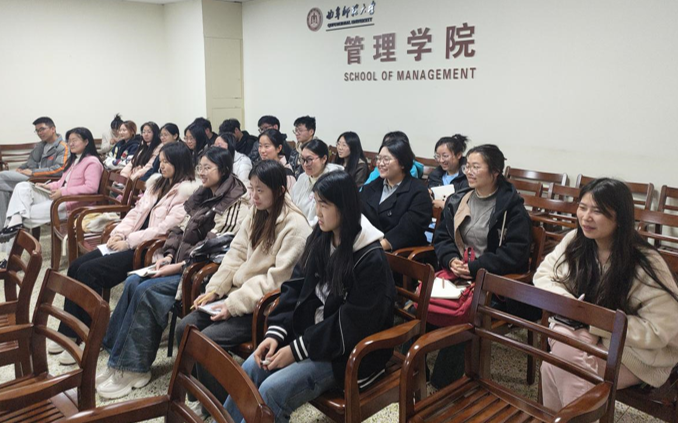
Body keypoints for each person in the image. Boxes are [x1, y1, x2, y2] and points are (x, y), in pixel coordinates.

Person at [223, 171, 395, 423]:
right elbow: (295, 287)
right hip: (312, 336)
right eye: (316, 202)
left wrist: (295, 351)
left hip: (345, 353)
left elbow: (353, 325)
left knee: (272, 391)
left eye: (324, 205)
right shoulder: (321, 236)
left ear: (345, 207)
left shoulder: (369, 257)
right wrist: (275, 334)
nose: (317, 212)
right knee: (251, 368)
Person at [95, 148, 249, 399]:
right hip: (178, 264)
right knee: (133, 281)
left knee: (147, 292)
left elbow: (216, 247)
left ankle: (134, 368)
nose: (201, 172)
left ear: (223, 170)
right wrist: (167, 255)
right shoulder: (202, 193)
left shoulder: (235, 201)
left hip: (200, 274)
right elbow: (179, 229)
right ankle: (116, 358)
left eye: (207, 168)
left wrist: (178, 266)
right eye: (200, 167)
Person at [535, 178, 678, 412]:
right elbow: (543, 276)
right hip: (585, 335)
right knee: (559, 359)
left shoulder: (645, 263)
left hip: (636, 355)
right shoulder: (576, 241)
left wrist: (595, 324)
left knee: (559, 362)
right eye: (582, 207)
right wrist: (574, 309)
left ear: (620, 218)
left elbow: (659, 330)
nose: (586, 217)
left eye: (597, 211)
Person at [175, 160, 311, 405]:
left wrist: (233, 304)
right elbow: (236, 253)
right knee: (183, 327)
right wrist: (216, 289)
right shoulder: (256, 212)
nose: (253, 196)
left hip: (261, 307)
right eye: (251, 188)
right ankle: (202, 396)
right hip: (237, 296)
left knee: (205, 340)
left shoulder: (296, 226)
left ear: (280, 190)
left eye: (260, 190)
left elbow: (277, 280)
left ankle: (226, 406)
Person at [51, 142, 199, 365]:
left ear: (180, 163)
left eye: (167, 162)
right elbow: (135, 213)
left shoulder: (187, 193)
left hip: (148, 250)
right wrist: (119, 234)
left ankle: (90, 333)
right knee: (76, 267)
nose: (162, 165)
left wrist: (129, 242)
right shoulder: (156, 183)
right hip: (129, 242)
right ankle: (70, 331)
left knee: (89, 272)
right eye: (161, 161)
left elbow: (165, 229)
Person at [431, 143, 531, 388]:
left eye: (476, 167)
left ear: (495, 171)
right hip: (458, 275)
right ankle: (413, 371)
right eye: (468, 166)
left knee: (464, 320)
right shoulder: (459, 199)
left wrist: (476, 267)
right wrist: (450, 259)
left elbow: (516, 253)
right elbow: (442, 237)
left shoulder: (511, 208)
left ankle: (442, 386)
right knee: (421, 304)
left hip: (491, 284)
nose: (469, 171)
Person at [0, 127, 102, 242]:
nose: (71, 144)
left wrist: (62, 192)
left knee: (22, 214)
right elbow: (62, 182)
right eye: (69, 140)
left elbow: (91, 188)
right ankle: (15, 224)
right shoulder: (74, 160)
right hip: (59, 198)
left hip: (71, 204)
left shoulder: (92, 162)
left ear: (86, 141)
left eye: (75, 140)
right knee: (22, 186)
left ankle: (9, 246)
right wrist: (48, 186)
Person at [360, 134, 432, 252]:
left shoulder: (418, 191)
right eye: (379, 158)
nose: (380, 163)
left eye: (386, 159)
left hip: (399, 253)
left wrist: (374, 248)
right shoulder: (372, 186)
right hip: (369, 248)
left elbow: (408, 229)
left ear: (402, 163)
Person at [0, 117, 68, 224]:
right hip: (33, 176)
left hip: (44, 180)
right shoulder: (41, 145)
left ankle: (9, 224)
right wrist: (21, 168)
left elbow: (59, 169)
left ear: (53, 129)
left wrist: (34, 172)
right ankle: (5, 225)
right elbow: (30, 162)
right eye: (37, 131)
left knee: (2, 176)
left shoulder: (63, 147)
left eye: (42, 129)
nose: (40, 133)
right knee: (2, 189)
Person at [291, 139, 342, 224]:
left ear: (324, 159)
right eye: (302, 159)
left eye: (309, 160)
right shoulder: (303, 177)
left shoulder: (333, 181)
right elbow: (292, 202)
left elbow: (326, 217)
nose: (305, 164)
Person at [427, 134, 469, 208]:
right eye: (438, 156)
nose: (441, 160)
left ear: (458, 155)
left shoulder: (467, 176)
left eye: (445, 156)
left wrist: (445, 205)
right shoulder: (434, 176)